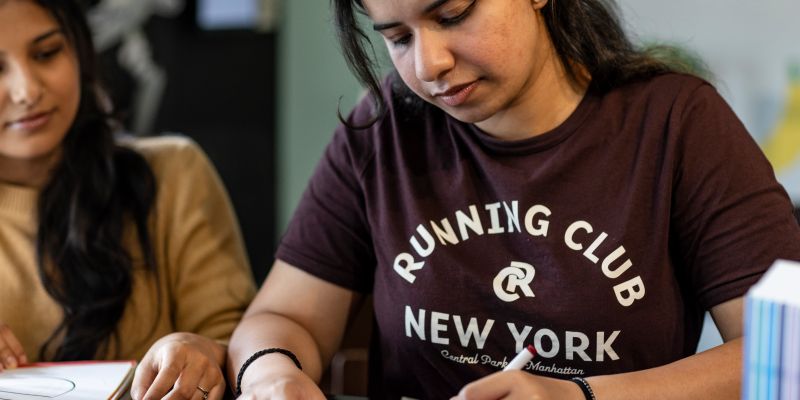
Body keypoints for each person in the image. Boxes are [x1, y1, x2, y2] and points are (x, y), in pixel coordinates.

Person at [227, 0, 800, 399]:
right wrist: (270, 373)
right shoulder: (387, 127)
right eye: (398, 39)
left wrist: (577, 396)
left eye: (453, 15)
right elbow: (282, 316)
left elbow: (783, 355)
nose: (429, 66)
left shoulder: (677, 123)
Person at [0, 0, 256, 399]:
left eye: (47, 53)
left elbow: (241, 340)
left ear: (80, 52)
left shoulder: (174, 172)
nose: (27, 90)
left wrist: (202, 351)